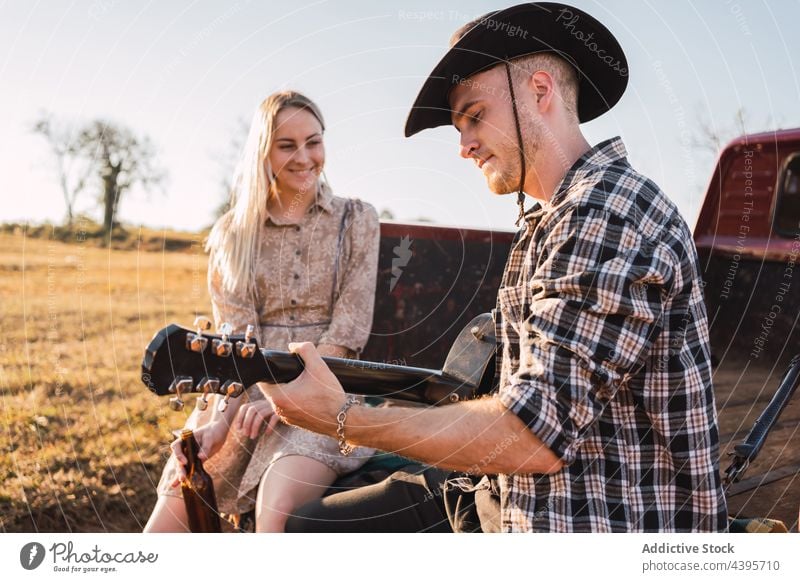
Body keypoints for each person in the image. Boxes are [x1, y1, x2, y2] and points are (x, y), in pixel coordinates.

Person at [261, 3, 728, 532]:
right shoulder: (552, 220)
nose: (463, 147)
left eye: (474, 116)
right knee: (311, 526)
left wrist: (344, 417)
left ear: (540, 91)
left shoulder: (606, 211)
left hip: (592, 525)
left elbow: (531, 433)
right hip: (505, 497)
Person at [144, 91, 380, 533]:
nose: (305, 157)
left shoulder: (357, 219)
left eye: (314, 142)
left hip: (327, 389)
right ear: (263, 153)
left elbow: (348, 330)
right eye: (287, 145)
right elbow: (235, 345)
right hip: (242, 397)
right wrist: (216, 423)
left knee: (278, 509)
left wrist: (292, 395)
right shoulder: (233, 233)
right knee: (172, 513)